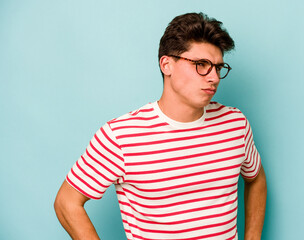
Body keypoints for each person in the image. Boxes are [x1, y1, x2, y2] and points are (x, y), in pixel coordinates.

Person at [54, 12, 267, 240]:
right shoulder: (121, 136)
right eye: (202, 64)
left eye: (217, 67)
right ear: (167, 65)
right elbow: (67, 202)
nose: (213, 77)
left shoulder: (235, 124)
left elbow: (256, 179)